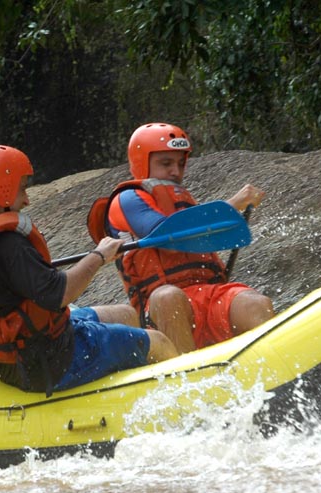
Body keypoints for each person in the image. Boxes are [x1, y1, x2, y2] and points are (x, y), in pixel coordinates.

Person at [0, 144, 177, 395]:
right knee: (159, 343)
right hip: (53, 362)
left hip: (10, 363)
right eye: (21, 189)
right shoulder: (7, 244)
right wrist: (99, 255)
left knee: (124, 314)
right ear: (2, 188)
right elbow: (60, 294)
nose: (27, 199)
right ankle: (189, 406)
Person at [88, 122, 275, 354]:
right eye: (165, 163)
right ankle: (189, 378)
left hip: (208, 294)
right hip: (158, 307)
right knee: (169, 298)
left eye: (180, 163)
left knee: (256, 303)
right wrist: (231, 205)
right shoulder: (127, 199)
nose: (175, 171)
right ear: (141, 162)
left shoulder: (181, 199)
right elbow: (165, 235)